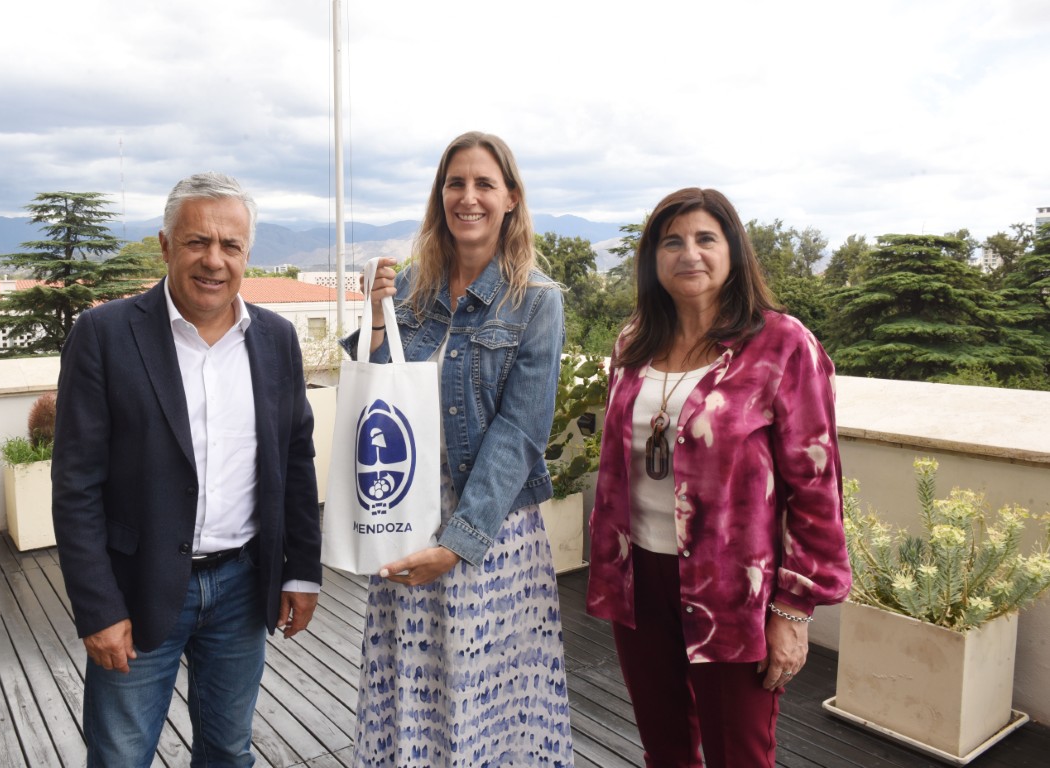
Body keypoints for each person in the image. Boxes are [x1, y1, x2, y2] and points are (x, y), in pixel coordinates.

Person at [52, 172, 322, 767]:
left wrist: (301, 571)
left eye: (231, 246)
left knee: (228, 751)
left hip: (241, 589)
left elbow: (295, 461)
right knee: (121, 755)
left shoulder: (275, 339)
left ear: (247, 253)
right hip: (135, 587)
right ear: (166, 245)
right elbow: (75, 486)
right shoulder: (104, 335)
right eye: (198, 241)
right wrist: (98, 607)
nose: (214, 260)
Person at [586, 188, 851, 768]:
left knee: (740, 754)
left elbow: (816, 487)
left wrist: (793, 611)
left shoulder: (782, 346)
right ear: (653, 258)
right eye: (672, 240)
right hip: (640, 580)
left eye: (706, 238)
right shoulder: (633, 343)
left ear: (733, 251)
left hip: (735, 591)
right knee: (665, 749)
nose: (690, 253)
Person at [343, 131, 574, 767]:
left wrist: (458, 542)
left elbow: (522, 431)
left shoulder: (536, 299)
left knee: (488, 703)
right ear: (439, 194)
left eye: (482, 184)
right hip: (407, 512)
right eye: (455, 183)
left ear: (510, 198)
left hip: (488, 528)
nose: (466, 197)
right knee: (412, 691)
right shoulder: (414, 286)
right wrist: (376, 316)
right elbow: (377, 389)